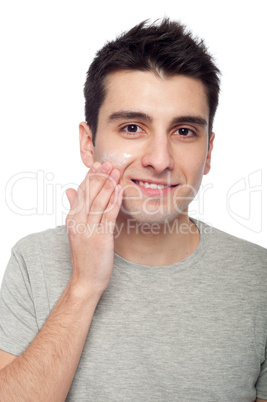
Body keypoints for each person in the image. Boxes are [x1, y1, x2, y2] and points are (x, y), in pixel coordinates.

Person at [0, 18, 266, 402]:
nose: (159, 160)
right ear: (88, 144)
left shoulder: (259, 278)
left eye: (184, 131)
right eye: (132, 128)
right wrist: (83, 286)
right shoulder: (33, 261)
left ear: (208, 152)